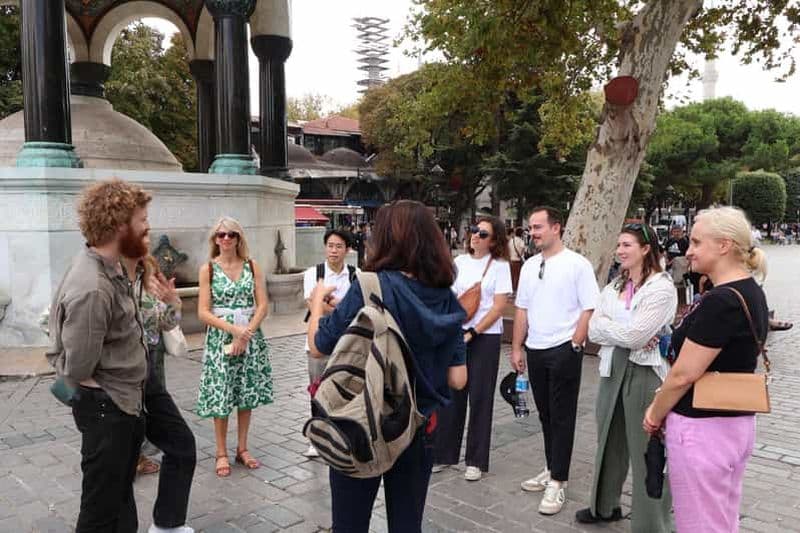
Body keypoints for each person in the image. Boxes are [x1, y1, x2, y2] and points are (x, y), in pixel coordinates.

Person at [307, 200, 468, 533]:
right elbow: (457, 378)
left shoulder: (369, 285)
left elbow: (319, 347)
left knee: (349, 525)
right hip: (418, 428)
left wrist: (316, 306)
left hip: (360, 423)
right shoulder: (446, 298)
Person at [643, 206, 768, 532]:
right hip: (735, 424)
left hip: (703, 428)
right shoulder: (750, 291)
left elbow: (685, 373)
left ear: (724, 245)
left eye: (697, 242)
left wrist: (656, 412)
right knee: (721, 520)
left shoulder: (721, 301)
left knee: (700, 524)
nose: (689, 250)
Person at [45, 179, 151, 532]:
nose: (147, 227)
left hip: (120, 407)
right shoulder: (93, 286)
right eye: (141, 220)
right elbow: (78, 365)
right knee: (100, 512)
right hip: (108, 411)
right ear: (120, 226)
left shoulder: (110, 267)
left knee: (119, 501)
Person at [575, 224, 675, 532]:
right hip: (612, 368)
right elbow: (593, 328)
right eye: (618, 244)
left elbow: (637, 335)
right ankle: (604, 506)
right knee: (608, 439)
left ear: (646, 248)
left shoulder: (661, 287)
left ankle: (652, 523)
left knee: (646, 448)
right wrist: (622, 331)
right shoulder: (615, 285)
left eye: (627, 244)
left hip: (645, 372)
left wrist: (614, 329)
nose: (620, 250)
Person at [510, 206, 599, 516]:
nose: (532, 233)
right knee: (546, 415)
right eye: (530, 228)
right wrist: (517, 347)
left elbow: (589, 307)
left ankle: (558, 481)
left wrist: (575, 343)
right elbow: (522, 309)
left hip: (564, 350)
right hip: (535, 350)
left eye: (538, 227)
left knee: (562, 416)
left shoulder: (578, 265)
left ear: (556, 228)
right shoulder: (530, 265)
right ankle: (551, 468)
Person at [119, 246, 197, 533]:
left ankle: (168, 522)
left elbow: (165, 322)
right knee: (119, 466)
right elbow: (51, 320)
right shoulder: (105, 284)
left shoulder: (146, 286)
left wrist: (174, 301)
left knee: (182, 445)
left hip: (150, 374)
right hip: (120, 382)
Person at [433, 217, 512, 481]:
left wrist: (474, 332)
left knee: (480, 396)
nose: (475, 236)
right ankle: (444, 454)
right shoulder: (459, 262)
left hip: (485, 337)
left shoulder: (499, 266)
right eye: (474, 230)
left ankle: (476, 459)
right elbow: (448, 296)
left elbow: (499, 306)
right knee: (452, 392)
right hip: (456, 332)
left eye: (483, 233)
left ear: (495, 240)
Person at [197, 216, 273, 477]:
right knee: (222, 392)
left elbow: (262, 304)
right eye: (221, 235)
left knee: (245, 392)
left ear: (239, 238)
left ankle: (242, 448)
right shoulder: (208, 268)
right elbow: (203, 312)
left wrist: (247, 332)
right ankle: (221, 452)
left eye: (231, 234)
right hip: (221, 337)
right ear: (215, 240)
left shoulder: (252, 266)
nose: (226, 239)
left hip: (250, 336)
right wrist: (234, 330)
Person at [302, 228, 357, 458]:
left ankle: (344, 434)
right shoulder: (313, 273)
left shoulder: (356, 274)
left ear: (347, 250)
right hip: (318, 341)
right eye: (330, 245)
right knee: (317, 388)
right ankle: (317, 437)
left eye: (338, 246)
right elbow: (312, 304)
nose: (333, 250)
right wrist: (338, 306)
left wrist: (327, 302)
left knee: (347, 389)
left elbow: (357, 308)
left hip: (347, 343)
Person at [508, 227, 526, 291]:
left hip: (511, 260)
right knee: (517, 276)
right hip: (517, 261)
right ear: (521, 234)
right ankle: (516, 290)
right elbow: (523, 249)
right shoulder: (521, 241)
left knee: (511, 276)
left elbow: (508, 249)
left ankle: (511, 289)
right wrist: (520, 254)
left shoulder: (511, 240)